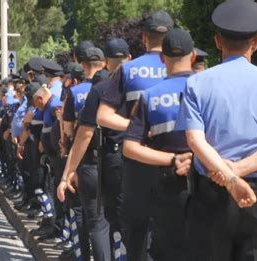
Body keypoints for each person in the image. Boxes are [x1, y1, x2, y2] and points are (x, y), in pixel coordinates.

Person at [175, 1, 257, 260]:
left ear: (218, 41)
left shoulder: (197, 84)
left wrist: (230, 177)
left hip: (211, 189)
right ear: (255, 43)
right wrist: (238, 173)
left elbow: (194, 139)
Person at [97, 10, 174, 260]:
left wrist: (135, 126)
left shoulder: (128, 70)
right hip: (174, 162)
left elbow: (104, 117)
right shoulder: (183, 71)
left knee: (136, 233)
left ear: (143, 38)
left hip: (136, 162)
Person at [58, 37, 132, 260]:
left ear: (107, 61)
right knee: (132, 224)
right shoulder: (138, 86)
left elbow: (78, 134)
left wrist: (68, 172)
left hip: (96, 160)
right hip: (135, 162)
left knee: (99, 224)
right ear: (129, 58)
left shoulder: (97, 90)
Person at [123, 28, 194, 260]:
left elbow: (130, 147)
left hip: (168, 186)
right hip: (208, 184)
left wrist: (173, 159)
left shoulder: (150, 95)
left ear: (163, 58)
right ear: (193, 56)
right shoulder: (210, 89)